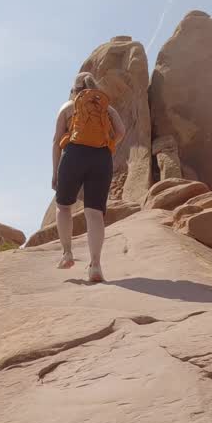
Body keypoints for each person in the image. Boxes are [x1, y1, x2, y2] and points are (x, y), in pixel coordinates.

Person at [51, 72, 126, 282]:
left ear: (74, 89)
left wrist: (55, 171)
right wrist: (108, 145)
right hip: (101, 158)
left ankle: (67, 254)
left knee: (63, 206)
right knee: (94, 213)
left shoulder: (68, 107)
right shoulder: (106, 108)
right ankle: (95, 265)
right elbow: (121, 131)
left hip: (73, 154)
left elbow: (56, 140)